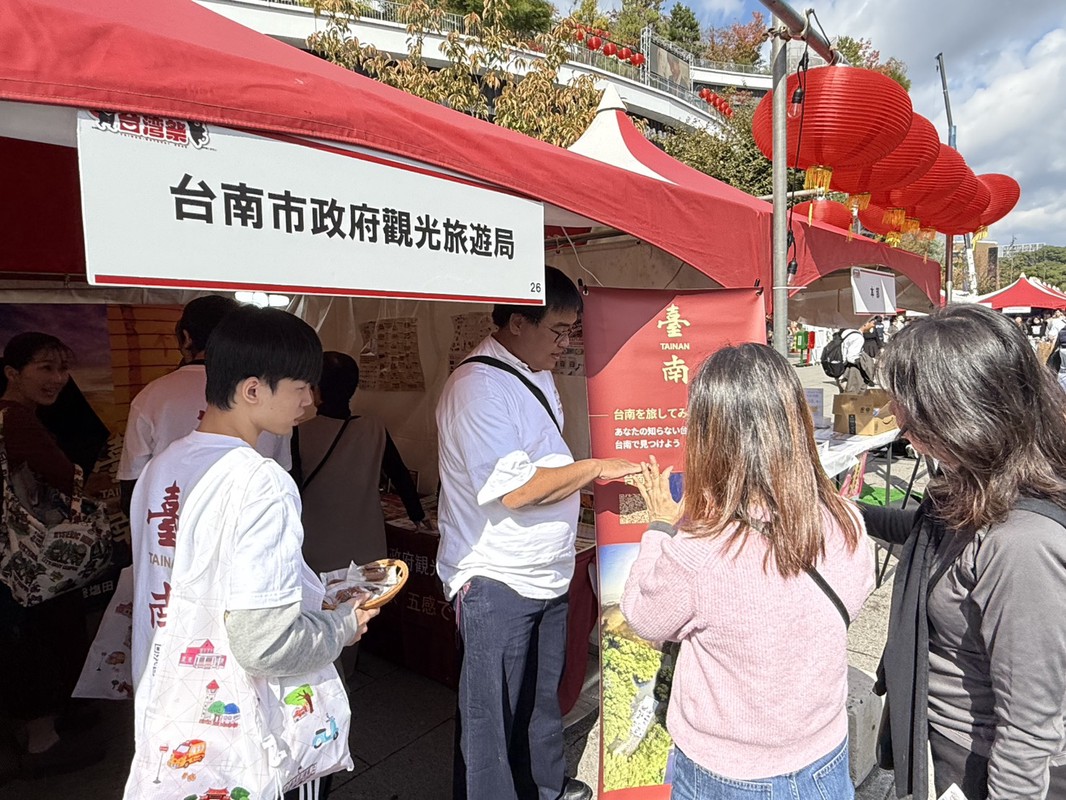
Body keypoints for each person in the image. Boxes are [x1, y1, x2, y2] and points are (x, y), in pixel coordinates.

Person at [125, 306, 375, 800]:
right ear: (253, 389)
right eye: (301, 386)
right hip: (250, 724)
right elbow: (263, 644)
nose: (310, 400)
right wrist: (343, 626)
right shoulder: (261, 480)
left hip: (171, 706)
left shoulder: (162, 466)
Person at [621, 343, 874, 800]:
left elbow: (642, 614)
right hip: (826, 759)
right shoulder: (845, 521)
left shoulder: (700, 551)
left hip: (726, 774)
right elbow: (853, 597)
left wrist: (660, 527)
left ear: (707, 438)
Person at [436, 266, 639, 800]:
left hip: (545, 573)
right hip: (497, 578)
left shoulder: (532, 370)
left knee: (540, 703)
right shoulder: (476, 388)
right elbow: (516, 490)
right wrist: (596, 469)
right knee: (492, 720)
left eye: (572, 329)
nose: (565, 342)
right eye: (558, 329)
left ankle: (544, 789)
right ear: (516, 322)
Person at [864, 304, 1066, 800]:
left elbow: (1030, 725)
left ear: (964, 415)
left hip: (980, 761)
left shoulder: (1022, 544)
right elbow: (922, 531)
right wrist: (842, 511)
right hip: (943, 736)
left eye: (912, 415)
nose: (901, 427)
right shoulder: (972, 481)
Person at [0, 332, 105, 775]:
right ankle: (43, 743)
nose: (59, 378)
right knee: (42, 635)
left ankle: (39, 730)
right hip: (29, 558)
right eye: (45, 367)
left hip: (11, 557)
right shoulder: (17, 419)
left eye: (63, 368)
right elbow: (66, 478)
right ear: (12, 372)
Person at [117, 294, 291, 516]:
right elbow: (285, 480)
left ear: (186, 337)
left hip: (173, 541)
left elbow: (132, 491)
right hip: (250, 533)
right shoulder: (271, 397)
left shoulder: (151, 397)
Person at [295, 350, 428, 574]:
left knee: (321, 608)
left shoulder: (299, 434)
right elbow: (400, 475)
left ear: (316, 390)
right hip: (368, 548)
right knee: (367, 606)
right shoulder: (374, 429)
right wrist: (417, 516)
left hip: (317, 547)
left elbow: (293, 490)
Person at [840, 321, 875, 393]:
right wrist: (864, 366)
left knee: (844, 394)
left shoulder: (848, 332)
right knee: (854, 393)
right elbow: (851, 357)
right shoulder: (858, 337)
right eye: (872, 323)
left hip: (840, 367)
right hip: (850, 369)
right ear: (865, 324)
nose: (873, 325)